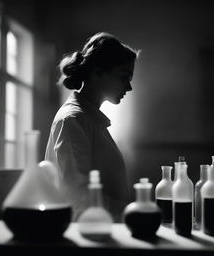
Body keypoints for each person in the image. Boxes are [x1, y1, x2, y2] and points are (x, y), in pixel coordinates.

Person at [45, 32, 139, 222]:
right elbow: (79, 198)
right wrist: (133, 214)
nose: (129, 87)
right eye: (124, 77)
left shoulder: (89, 119)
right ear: (97, 73)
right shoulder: (72, 120)